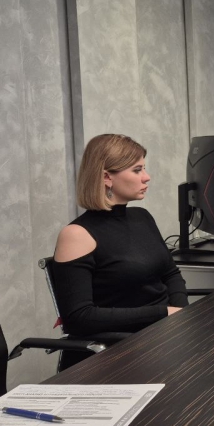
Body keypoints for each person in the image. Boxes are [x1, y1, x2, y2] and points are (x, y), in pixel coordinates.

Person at [53, 134, 188, 337]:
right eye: (137, 170)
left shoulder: (142, 217)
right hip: (124, 344)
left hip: (164, 332)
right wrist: (163, 313)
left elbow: (170, 274)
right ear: (107, 178)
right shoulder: (76, 235)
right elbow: (79, 318)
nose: (146, 177)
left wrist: (183, 315)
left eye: (144, 168)